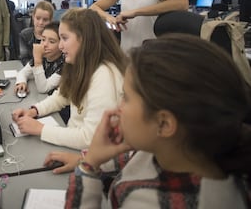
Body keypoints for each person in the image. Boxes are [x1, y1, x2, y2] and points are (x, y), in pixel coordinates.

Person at [44, 34, 251, 208]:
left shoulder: (155, 203)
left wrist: (88, 168)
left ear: (164, 124)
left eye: (125, 97)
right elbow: (137, 158)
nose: (117, 108)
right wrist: (91, 158)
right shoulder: (174, 149)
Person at [12, 8, 127, 150]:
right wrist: (34, 111)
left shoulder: (105, 76)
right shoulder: (80, 65)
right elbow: (62, 96)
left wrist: (41, 129)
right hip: (76, 148)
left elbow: (91, 138)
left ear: (85, 39)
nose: (60, 46)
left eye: (64, 38)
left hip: (88, 154)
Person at [15, 22, 64, 95]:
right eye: (43, 39)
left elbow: (43, 88)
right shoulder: (44, 56)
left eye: (51, 42)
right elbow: (23, 72)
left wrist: (38, 61)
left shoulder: (64, 65)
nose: (44, 45)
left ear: (62, 45)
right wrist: (22, 82)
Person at [19, 0, 54, 65]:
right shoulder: (25, 35)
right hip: (30, 71)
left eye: (45, 20)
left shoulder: (55, 36)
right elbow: (24, 58)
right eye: (38, 18)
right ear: (33, 17)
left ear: (51, 20)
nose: (41, 23)